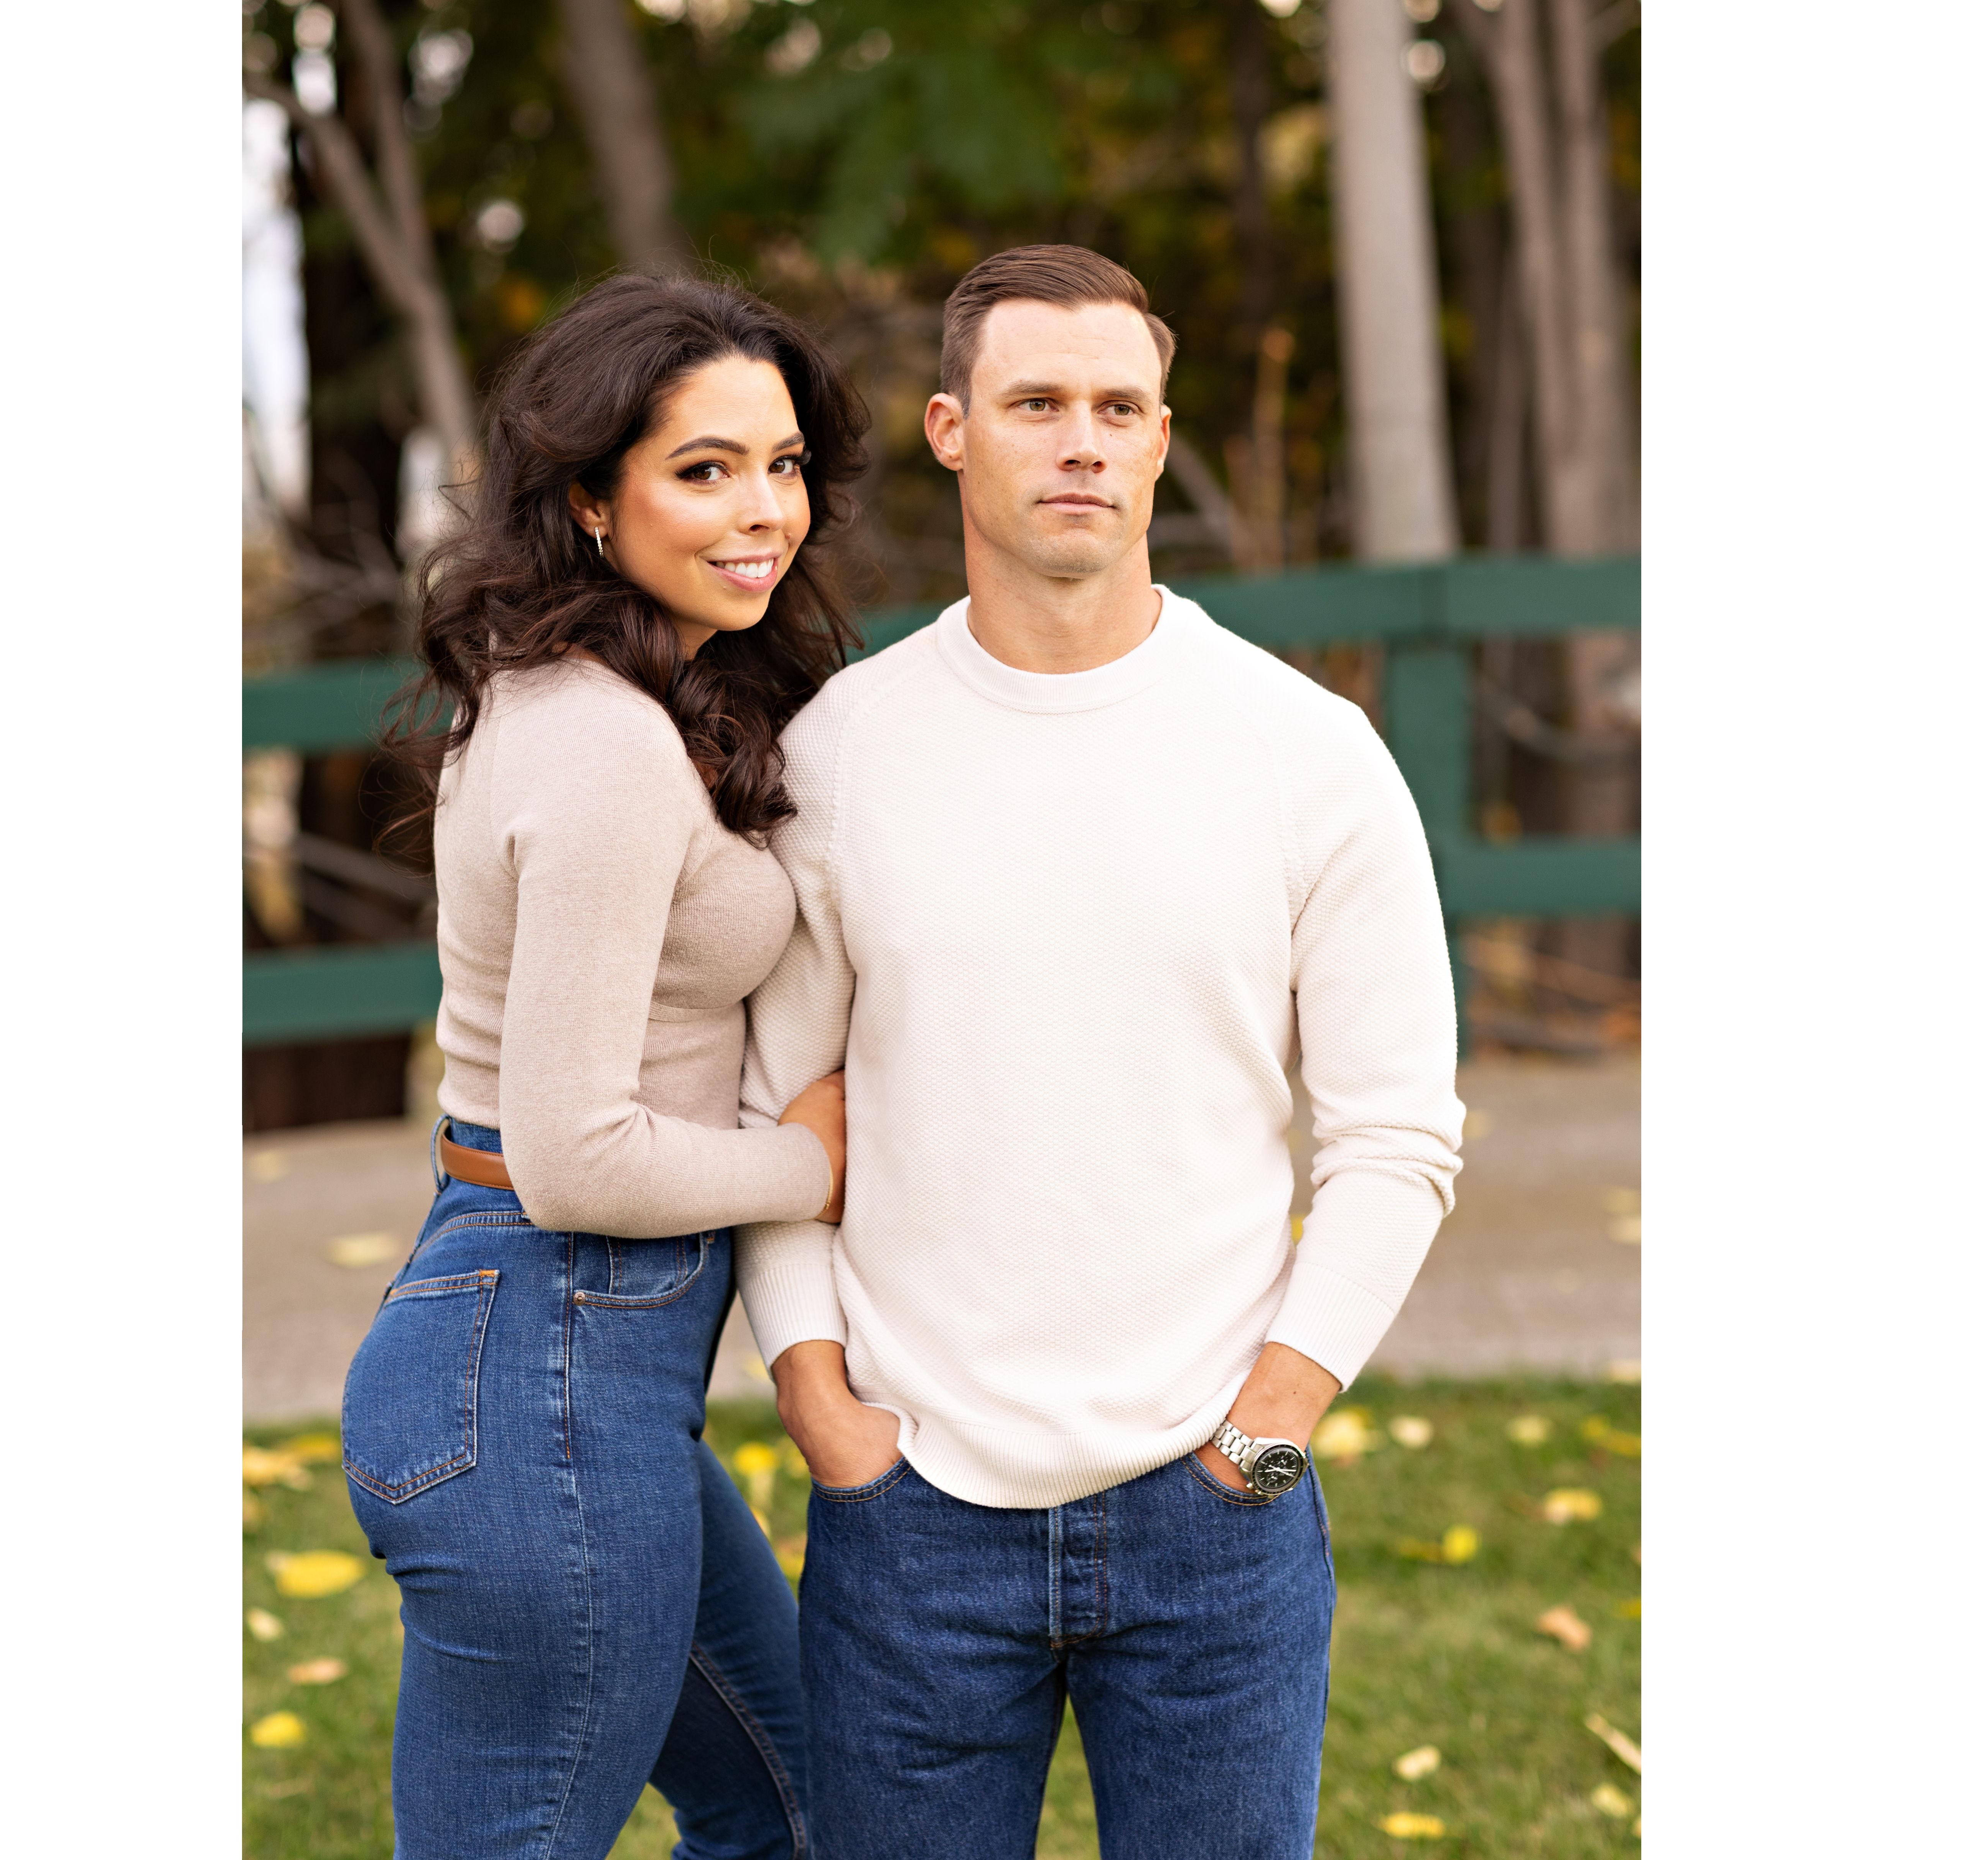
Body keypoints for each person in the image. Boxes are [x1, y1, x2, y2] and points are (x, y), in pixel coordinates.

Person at [735, 245, 1465, 1857]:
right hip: (913, 1510)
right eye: (1038, 403)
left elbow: (1398, 1136)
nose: (1083, 442)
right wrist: (818, 1400)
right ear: (951, 430)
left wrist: (1270, 1424)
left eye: (1120, 408)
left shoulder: (1308, 754)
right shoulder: (843, 752)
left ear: (1158, 436)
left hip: (1216, 1506)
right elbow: (769, 1111)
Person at [345, 273, 859, 1859]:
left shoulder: (621, 699)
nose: (764, 511)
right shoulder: (600, 745)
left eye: (782, 465)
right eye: (705, 470)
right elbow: (577, 1155)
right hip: (545, 1360)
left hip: (561, 1365)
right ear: (588, 497)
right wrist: (822, 1163)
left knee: (792, 1811)